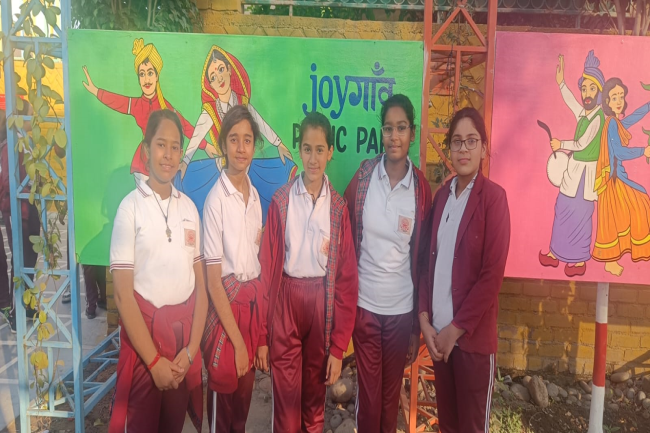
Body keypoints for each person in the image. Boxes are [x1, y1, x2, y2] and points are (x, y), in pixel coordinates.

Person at [256, 112, 358, 433]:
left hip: (320, 307)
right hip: (286, 305)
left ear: (330, 152)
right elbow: (266, 271)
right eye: (307, 149)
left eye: (320, 150)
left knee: (314, 405)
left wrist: (338, 347)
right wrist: (262, 335)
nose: (313, 158)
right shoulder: (282, 202)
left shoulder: (338, 209)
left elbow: (346, 282)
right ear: (299, 150)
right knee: (286, 409)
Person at [108, 109, 207, 433]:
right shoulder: (130, 208)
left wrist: (190, 352)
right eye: (161, 145)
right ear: (146, 149)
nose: (168, 154)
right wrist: (152, 362)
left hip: (181, 350)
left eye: (175, 147)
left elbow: (201, 290)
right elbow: (122, 295)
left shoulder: (189, 208)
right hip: (144, 347)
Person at [418, 108, 510, 433]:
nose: (463, 149)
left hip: (470, 342)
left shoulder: (493, 199)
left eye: (472, 141)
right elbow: (428, 263)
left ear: (484, 148)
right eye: (456, 142)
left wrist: (455, 329)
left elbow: (491, 277)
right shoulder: (442, 197)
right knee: (448, 426)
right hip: (439, 340)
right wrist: (424, 318)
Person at [343, 94, 431, 432]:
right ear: (381, 132)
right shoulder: (365, 176)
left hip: (400, 312)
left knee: (389, 397)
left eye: (401, 128)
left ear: (412, 133)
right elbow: (345, 231)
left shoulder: (420, 190)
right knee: (368, 399)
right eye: (388, 128)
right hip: (365, 308)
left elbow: (422, 260)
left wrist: (416, 326)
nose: (394, 136)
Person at [200, 105, 264, 433]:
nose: (241, 148)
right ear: (223, 144)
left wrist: (258, 337)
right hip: (226, 314)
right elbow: (213, 281)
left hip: (250, 313)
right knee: (222, 414)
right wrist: (238, 344)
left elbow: (257, 268)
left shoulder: (255, 197)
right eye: (234, 139)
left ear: (255, 146)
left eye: (247, 140)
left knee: (241, 413)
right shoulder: (216, 201)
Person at [177, 45, 296, 219]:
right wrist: (185, 161)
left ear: (229, 69)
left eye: (221, 69)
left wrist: (278, 144)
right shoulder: (210, 110)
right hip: (223, 168)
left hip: (244, 168)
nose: (219, 78)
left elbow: (260, 123)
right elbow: (196, 136)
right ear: (210, 85)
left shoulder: (242, 101)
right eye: (213, 77)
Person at [81, 38, 208, 185]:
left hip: (164, 164)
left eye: (150, 73)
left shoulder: (167, 108)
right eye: (142, 74)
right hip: (143, 165)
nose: (146, 79)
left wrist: (205, 145)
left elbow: (185, 126)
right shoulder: (136, 105)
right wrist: (96, 91)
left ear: (157, 76)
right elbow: (118, 101)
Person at [539, 51, 605, 277]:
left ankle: (578, 262)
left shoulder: (598, 118)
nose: (586, 93)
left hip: (586, 175)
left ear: (599, 92)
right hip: (574, 172)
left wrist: (561, 144)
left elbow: (582, 143)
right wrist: (561, 83)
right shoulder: (585, 114)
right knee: (563, 207)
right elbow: (572, 104)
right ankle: (555, 254)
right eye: (584, 89)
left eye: (592, 89)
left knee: (581, 214)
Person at [592, 78, 650, 276]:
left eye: (621, 96)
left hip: (618, 177)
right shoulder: (611, 124)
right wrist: (643, 151)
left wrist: (648, 106)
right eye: (614, 97)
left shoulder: (616, 122)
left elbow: (633, 117)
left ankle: (615, 257)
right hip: (613, 180)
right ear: (607, 101)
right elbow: (618, 152)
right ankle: (611, 261)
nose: (619, 101)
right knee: (639, 202)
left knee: (623, 216)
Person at [0, 98, 41, 332]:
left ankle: (27, 303)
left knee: (30, 257)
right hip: (17, 208)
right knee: (20, 259)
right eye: (30, 114)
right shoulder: (11, 144)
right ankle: (16, 310)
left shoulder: (28, 141)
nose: (32, 118)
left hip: (30, 206)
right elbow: (8, 180)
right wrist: (27, 190)